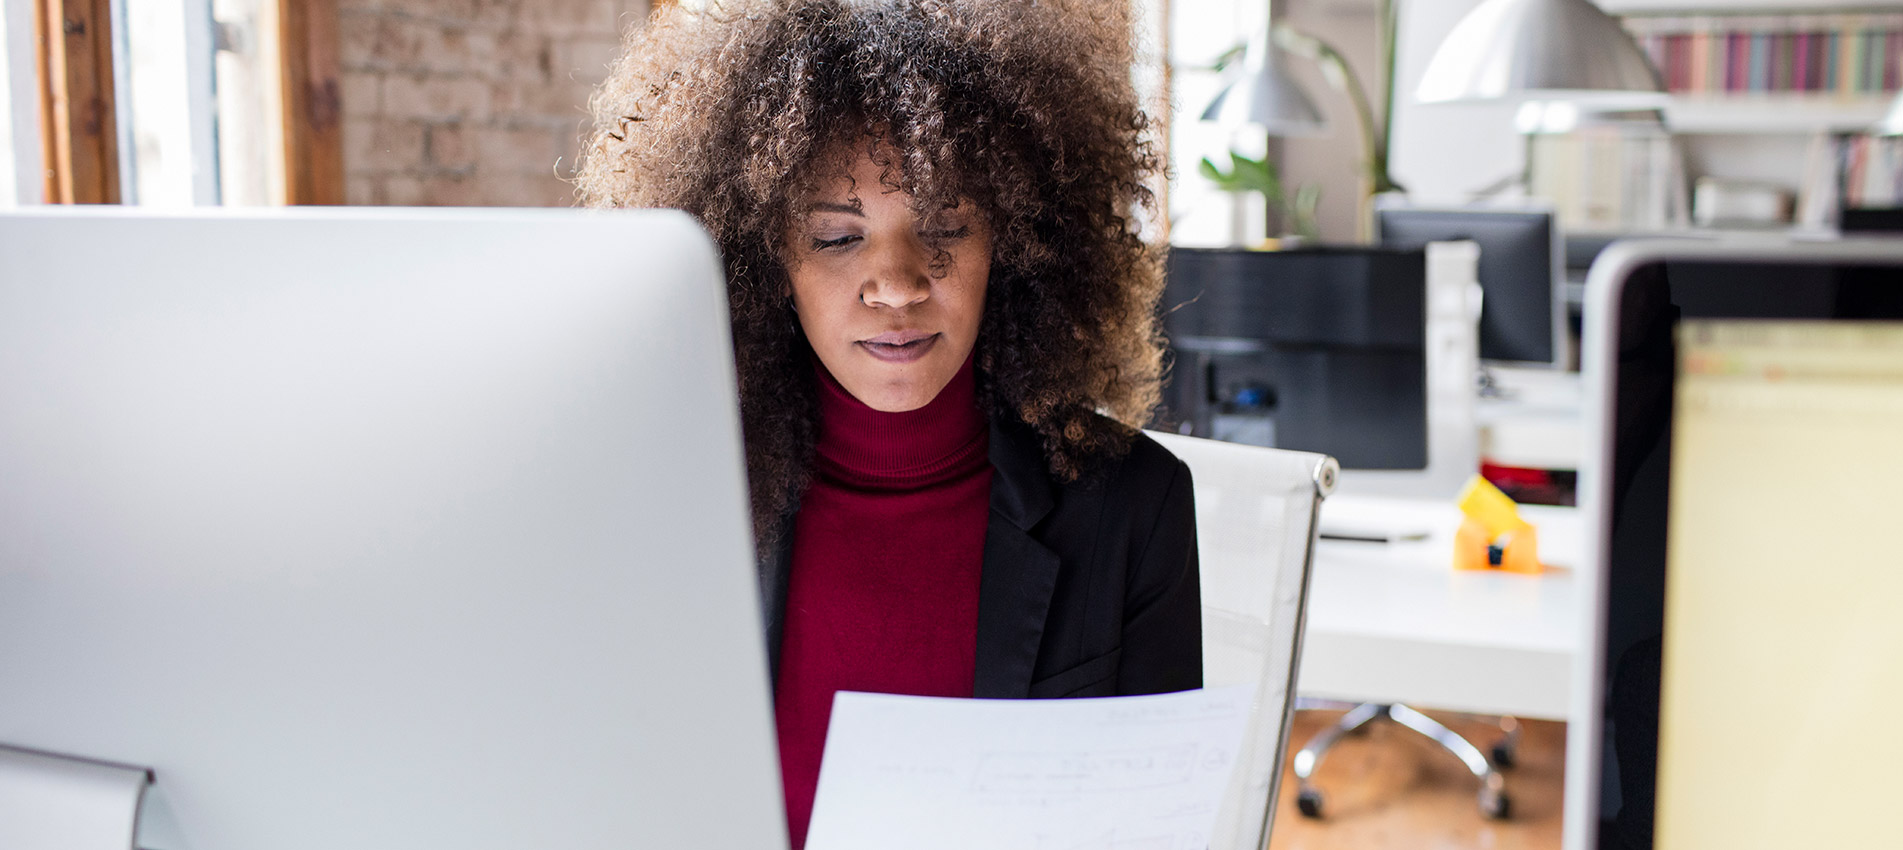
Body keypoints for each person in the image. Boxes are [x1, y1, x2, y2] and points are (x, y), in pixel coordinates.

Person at [576, 1, 1200, 845]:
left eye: (945, 226)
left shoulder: (1133, 506)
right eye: (838, 237)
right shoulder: (673, 503)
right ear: (764, 260)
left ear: (1012, 242)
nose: (898, 284)